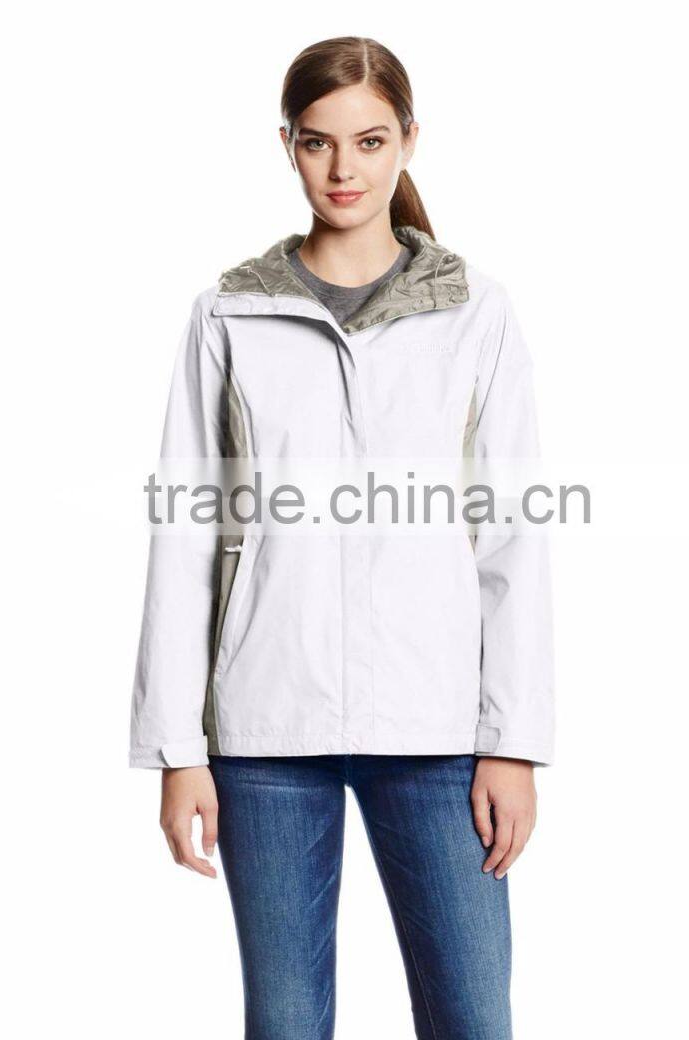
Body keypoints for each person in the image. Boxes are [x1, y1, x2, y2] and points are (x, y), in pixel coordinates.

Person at [129, 35, 555, 1040]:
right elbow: (186, 535)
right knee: (284, 1023)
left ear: (408, 140)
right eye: (318, 142)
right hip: (268, 727)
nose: (343, 169)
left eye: (369, 141)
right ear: (287, 145)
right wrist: (176, 750)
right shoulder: (229, 313)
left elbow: (511, 541)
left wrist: (513, 743)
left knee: (472, 1017)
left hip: (436, 730)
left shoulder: (474, 312)